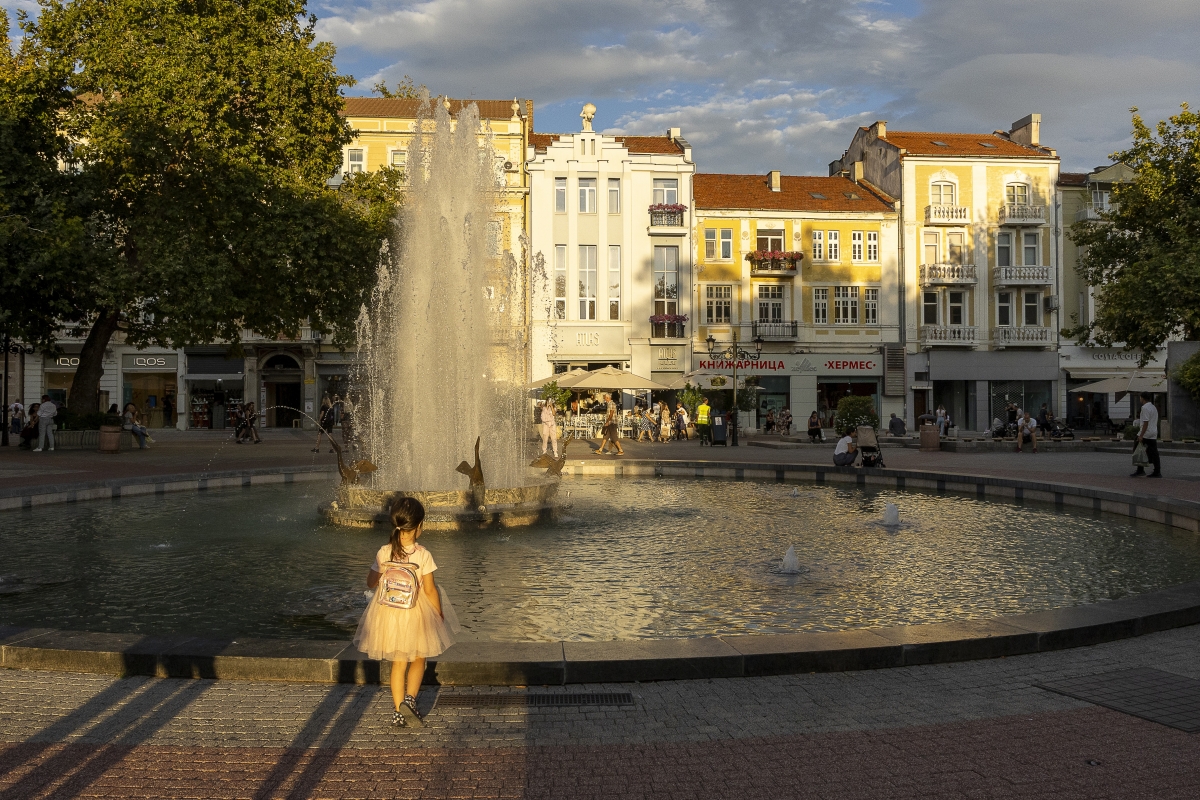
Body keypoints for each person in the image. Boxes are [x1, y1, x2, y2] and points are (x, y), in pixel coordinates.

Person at [354, 497, 456, 728]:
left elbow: (370, 583)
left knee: (398, 662)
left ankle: (398, 711)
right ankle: (411, 699)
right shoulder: (423, 555)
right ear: (419, 527)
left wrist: (380, 572)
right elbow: (429, 590)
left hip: (389, 613)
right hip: (416, 613)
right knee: (419, 657)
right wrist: (438, 615)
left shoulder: (384, 552)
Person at [1132, 392, 1161, 478]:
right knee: (1154, 452)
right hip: (1153, 432)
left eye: (1140, 398)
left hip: (1146, 433)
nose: (1140, 399)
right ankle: (1157, 470)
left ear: (1142, 398)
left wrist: (1141, 435)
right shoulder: (1153, 407)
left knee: (1137, 448)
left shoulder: (1144, 408)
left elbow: (1145, 422)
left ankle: (1140, 469)